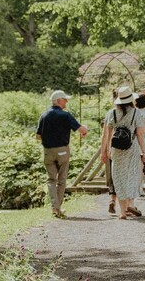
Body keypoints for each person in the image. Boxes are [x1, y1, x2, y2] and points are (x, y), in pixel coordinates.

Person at [36, 90, 88, 218]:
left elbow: (38, 137)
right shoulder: (65, 115)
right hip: (63, 151)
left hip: (48, 151)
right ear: (58, 101)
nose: (66, 101)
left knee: (51, 180)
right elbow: (81, 129)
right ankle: (57, 208)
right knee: (62, 180)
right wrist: (85, 129)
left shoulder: (44, 115)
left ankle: (55, 208)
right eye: (65, 99)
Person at [101, 86, 145, 220]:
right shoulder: (136, 113)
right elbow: (139, 134)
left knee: (118, 177)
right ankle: (129, 203)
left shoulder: (112, 113)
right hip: (131, 148)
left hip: (116, 149)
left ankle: (122, 212)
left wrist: (107, 150)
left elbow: (109, 134)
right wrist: (144, 151)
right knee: (132, 176)